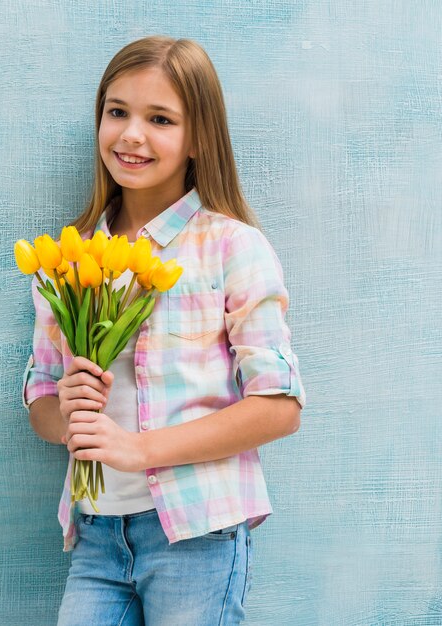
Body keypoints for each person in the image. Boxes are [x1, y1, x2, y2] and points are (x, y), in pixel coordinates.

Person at [22, 35, 307, 626]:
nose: (131, 135)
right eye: (117, 111)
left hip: (197, 534)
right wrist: (67, 408)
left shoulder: (231, 246)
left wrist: (138, 450)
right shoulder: (68, 258)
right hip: (97, 534)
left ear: (198, 137)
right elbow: (43, 410)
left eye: (160, 119)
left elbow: (279, 407)